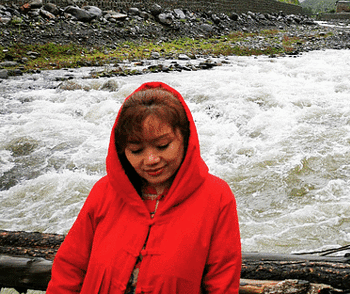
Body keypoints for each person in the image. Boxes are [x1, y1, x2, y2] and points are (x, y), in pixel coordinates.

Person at [47, 82, 242, 294]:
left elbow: (222, 282)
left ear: (185, 138)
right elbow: (69, 268)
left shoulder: (216, 197)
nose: (151, 160)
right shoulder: (104, 191)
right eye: (136, 150)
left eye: (162, 146)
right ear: (122, 150)